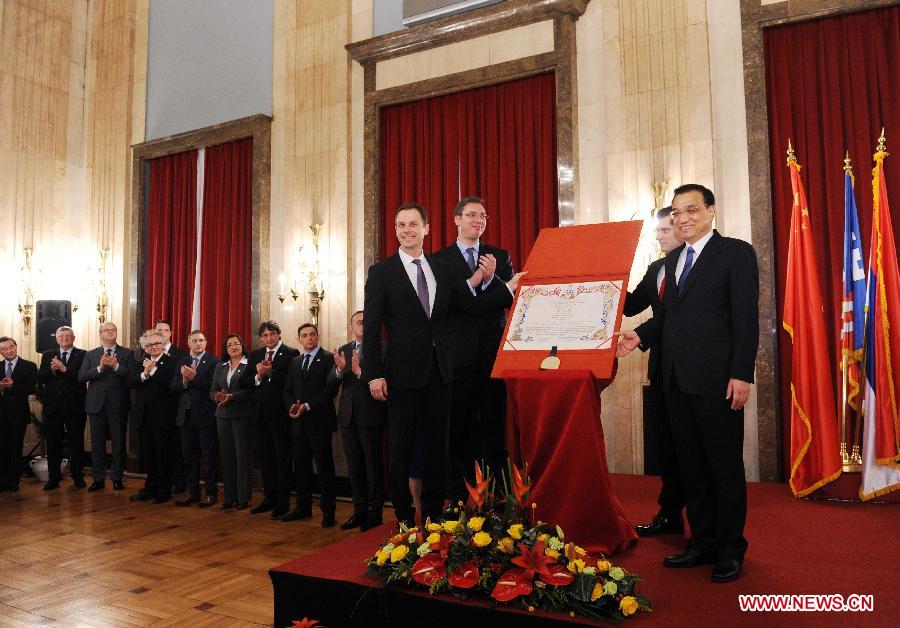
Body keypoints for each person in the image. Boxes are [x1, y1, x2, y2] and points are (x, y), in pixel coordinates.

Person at [617, 183, 758, 583]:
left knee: (723, 468)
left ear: (710, 211)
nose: (683, 218)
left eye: (691, 210)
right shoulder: (672, 260)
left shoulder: (734, 253)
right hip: (675, 380)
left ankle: (731, 548)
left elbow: (745, 319)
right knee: (692, 468)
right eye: (677, 213)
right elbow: (669, 320)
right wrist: (640, 336)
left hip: (718, 381)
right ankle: (702, 542)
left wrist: (742, 374)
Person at [362, 202, 524, 526]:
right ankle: (406, 517)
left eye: (413, 224)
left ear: (427, 228)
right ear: (396, 231)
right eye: (401, 225)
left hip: (441, 373)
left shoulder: (441, 268)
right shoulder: (382, 272)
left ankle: (435, 514)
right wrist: (373, 374)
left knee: (439, 446)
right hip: (403, 375)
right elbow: (371, 328)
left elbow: (470, 306)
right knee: (401, 449)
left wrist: (503, 286)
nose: (407, 230)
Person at [435, 197, 515, 503]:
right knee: (458, 430)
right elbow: (453, 304)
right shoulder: (440, 260)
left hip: (493, 355)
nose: (478, 221)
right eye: (471, 215)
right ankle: (457, 498)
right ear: (457, 220)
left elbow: (510, 300)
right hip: (457, 358)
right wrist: (480, 280)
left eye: (483, 216)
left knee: (494, 428)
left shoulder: (499, 255)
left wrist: (494, 278)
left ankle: (501, 500)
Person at [622, 206, 686, 536]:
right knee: (667, 445)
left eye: (663, 230)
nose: (658, 236)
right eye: (657, 231)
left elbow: (673, 318)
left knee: (690, 448)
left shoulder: (695, 267)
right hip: (661, 369)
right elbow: (632, 304)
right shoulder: (656, 268)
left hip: (691, 370)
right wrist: (608, 280)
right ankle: (670, 514)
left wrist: (641, 335)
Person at [329, 310, 386, 531]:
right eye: (358, 322)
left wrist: (361, 373)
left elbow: (385, 382)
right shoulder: (344, 350)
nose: (362, 325)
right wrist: (339, 371)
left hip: (371, 415)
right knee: (355, 467)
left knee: (373, 466)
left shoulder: (381, 348)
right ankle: (358, 510)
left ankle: (375, 513)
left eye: (366, 321)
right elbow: (330, 383)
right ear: (351, 327)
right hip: (348, 416)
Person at [281, 324, 339, 527]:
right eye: (304, 336)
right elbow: (287, 390)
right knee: (302, 467)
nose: (309, 338)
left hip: (319, 422)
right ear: (299, 339)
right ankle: (302, 507)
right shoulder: (295, 362)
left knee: (324, 468)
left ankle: (328, 511)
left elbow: (330, 390)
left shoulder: (329, 358)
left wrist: (307, 405)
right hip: (298, 423)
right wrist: (292, 406)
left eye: (312, 335)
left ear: (318, 336)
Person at [242, 321, 299, 517]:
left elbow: (291, 383)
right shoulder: (256, 355)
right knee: (266, 459)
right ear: (261, 338)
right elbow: (245, 382)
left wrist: (271, 373)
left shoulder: (291, 354)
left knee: (282, 459)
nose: (269, 338)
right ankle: (269, 497)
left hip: (281, 415)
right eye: (265, 335)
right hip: (259, 416)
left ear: (279, 334)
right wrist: (258, 376)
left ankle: (283, 502)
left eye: (272, 334)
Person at [78, 322, 136, 491]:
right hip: (96, 405)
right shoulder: (91, 354)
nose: (110, 332)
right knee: (97, 445)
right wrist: (100, 367)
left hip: (118, 405)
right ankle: (98, 479)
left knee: (118, 444)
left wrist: (116, 366)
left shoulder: (127, 353)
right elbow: (81, 377)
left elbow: (132, 377)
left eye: (113, 330)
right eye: (107, 330)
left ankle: (117, 478)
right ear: (100, 334)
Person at [170, 330, 220, 507]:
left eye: (201, 340)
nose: (198, 343)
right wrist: (184, 381)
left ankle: (211, 493)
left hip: (205, 416)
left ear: (206, 343)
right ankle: (193, 493)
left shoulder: (214, 362)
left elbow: (213, 388)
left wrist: (194, 377)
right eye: (194, 341)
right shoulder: (182, 361)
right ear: (188, 343)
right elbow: (173, 387)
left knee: (208, 456)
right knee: (189, 457)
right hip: (185, 416)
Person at [129, 329, 178, 504]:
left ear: (164, 344)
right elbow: (130, 381)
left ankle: (163, 491)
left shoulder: (171, 362)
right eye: (149, 345)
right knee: (148, 456)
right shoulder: (142, 362)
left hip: (163, 418)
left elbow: (170, 384)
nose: (154, 347)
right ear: (145, 347)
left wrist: (154, 371)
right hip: (144, 417)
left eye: (157, 343)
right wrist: (145, 373)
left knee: (163, 456)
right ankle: (149, 488)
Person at [37, 326, 87, 489]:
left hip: (75, 407)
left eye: (68, 336)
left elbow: (81, 377)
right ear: (56, 339)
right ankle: (54, 477)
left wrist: (64, 368)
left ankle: (77, 476)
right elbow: (41, 377)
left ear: (73, 338)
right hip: (53, 407)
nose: (64, 338)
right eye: (61, 336)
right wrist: (52, 369)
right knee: (53, 444)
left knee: (77, 442)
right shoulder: (47, 354)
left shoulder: (83, 354)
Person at [212, 333, 253, 510]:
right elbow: (212, 389)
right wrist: (217, 396)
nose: (234, 347)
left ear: (242, 346)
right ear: (226, 349)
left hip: (241, 415)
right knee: (226, 457)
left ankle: (243, 497)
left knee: (242, 457)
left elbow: (251, 390)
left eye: (237, 344)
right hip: (222, 415)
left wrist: (232, 396)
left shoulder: (249, 365)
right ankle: (229, 497)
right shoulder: (220, 367)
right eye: (230, 345)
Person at [0, 337, 37, 493]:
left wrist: (13, 386)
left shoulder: (29, 366)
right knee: (1, 448)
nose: (8, 351)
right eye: (4, 349)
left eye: (11, 347)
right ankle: (2, 481)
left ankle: (14, 481)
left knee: (15, 448)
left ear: (16, 346)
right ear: (1, 352)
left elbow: (31, 388)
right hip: (1, 415)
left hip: (18, 415)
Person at [154, 319, 188, 494]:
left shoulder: (180, 354)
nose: (162, 333)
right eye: (159, 330)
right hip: (156, 409)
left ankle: (180, 481)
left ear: (170, 334)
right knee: (160, 448)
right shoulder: (147, 353)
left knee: (178, 446)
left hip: (175, 406)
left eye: (165, 330)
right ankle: (162, 481)